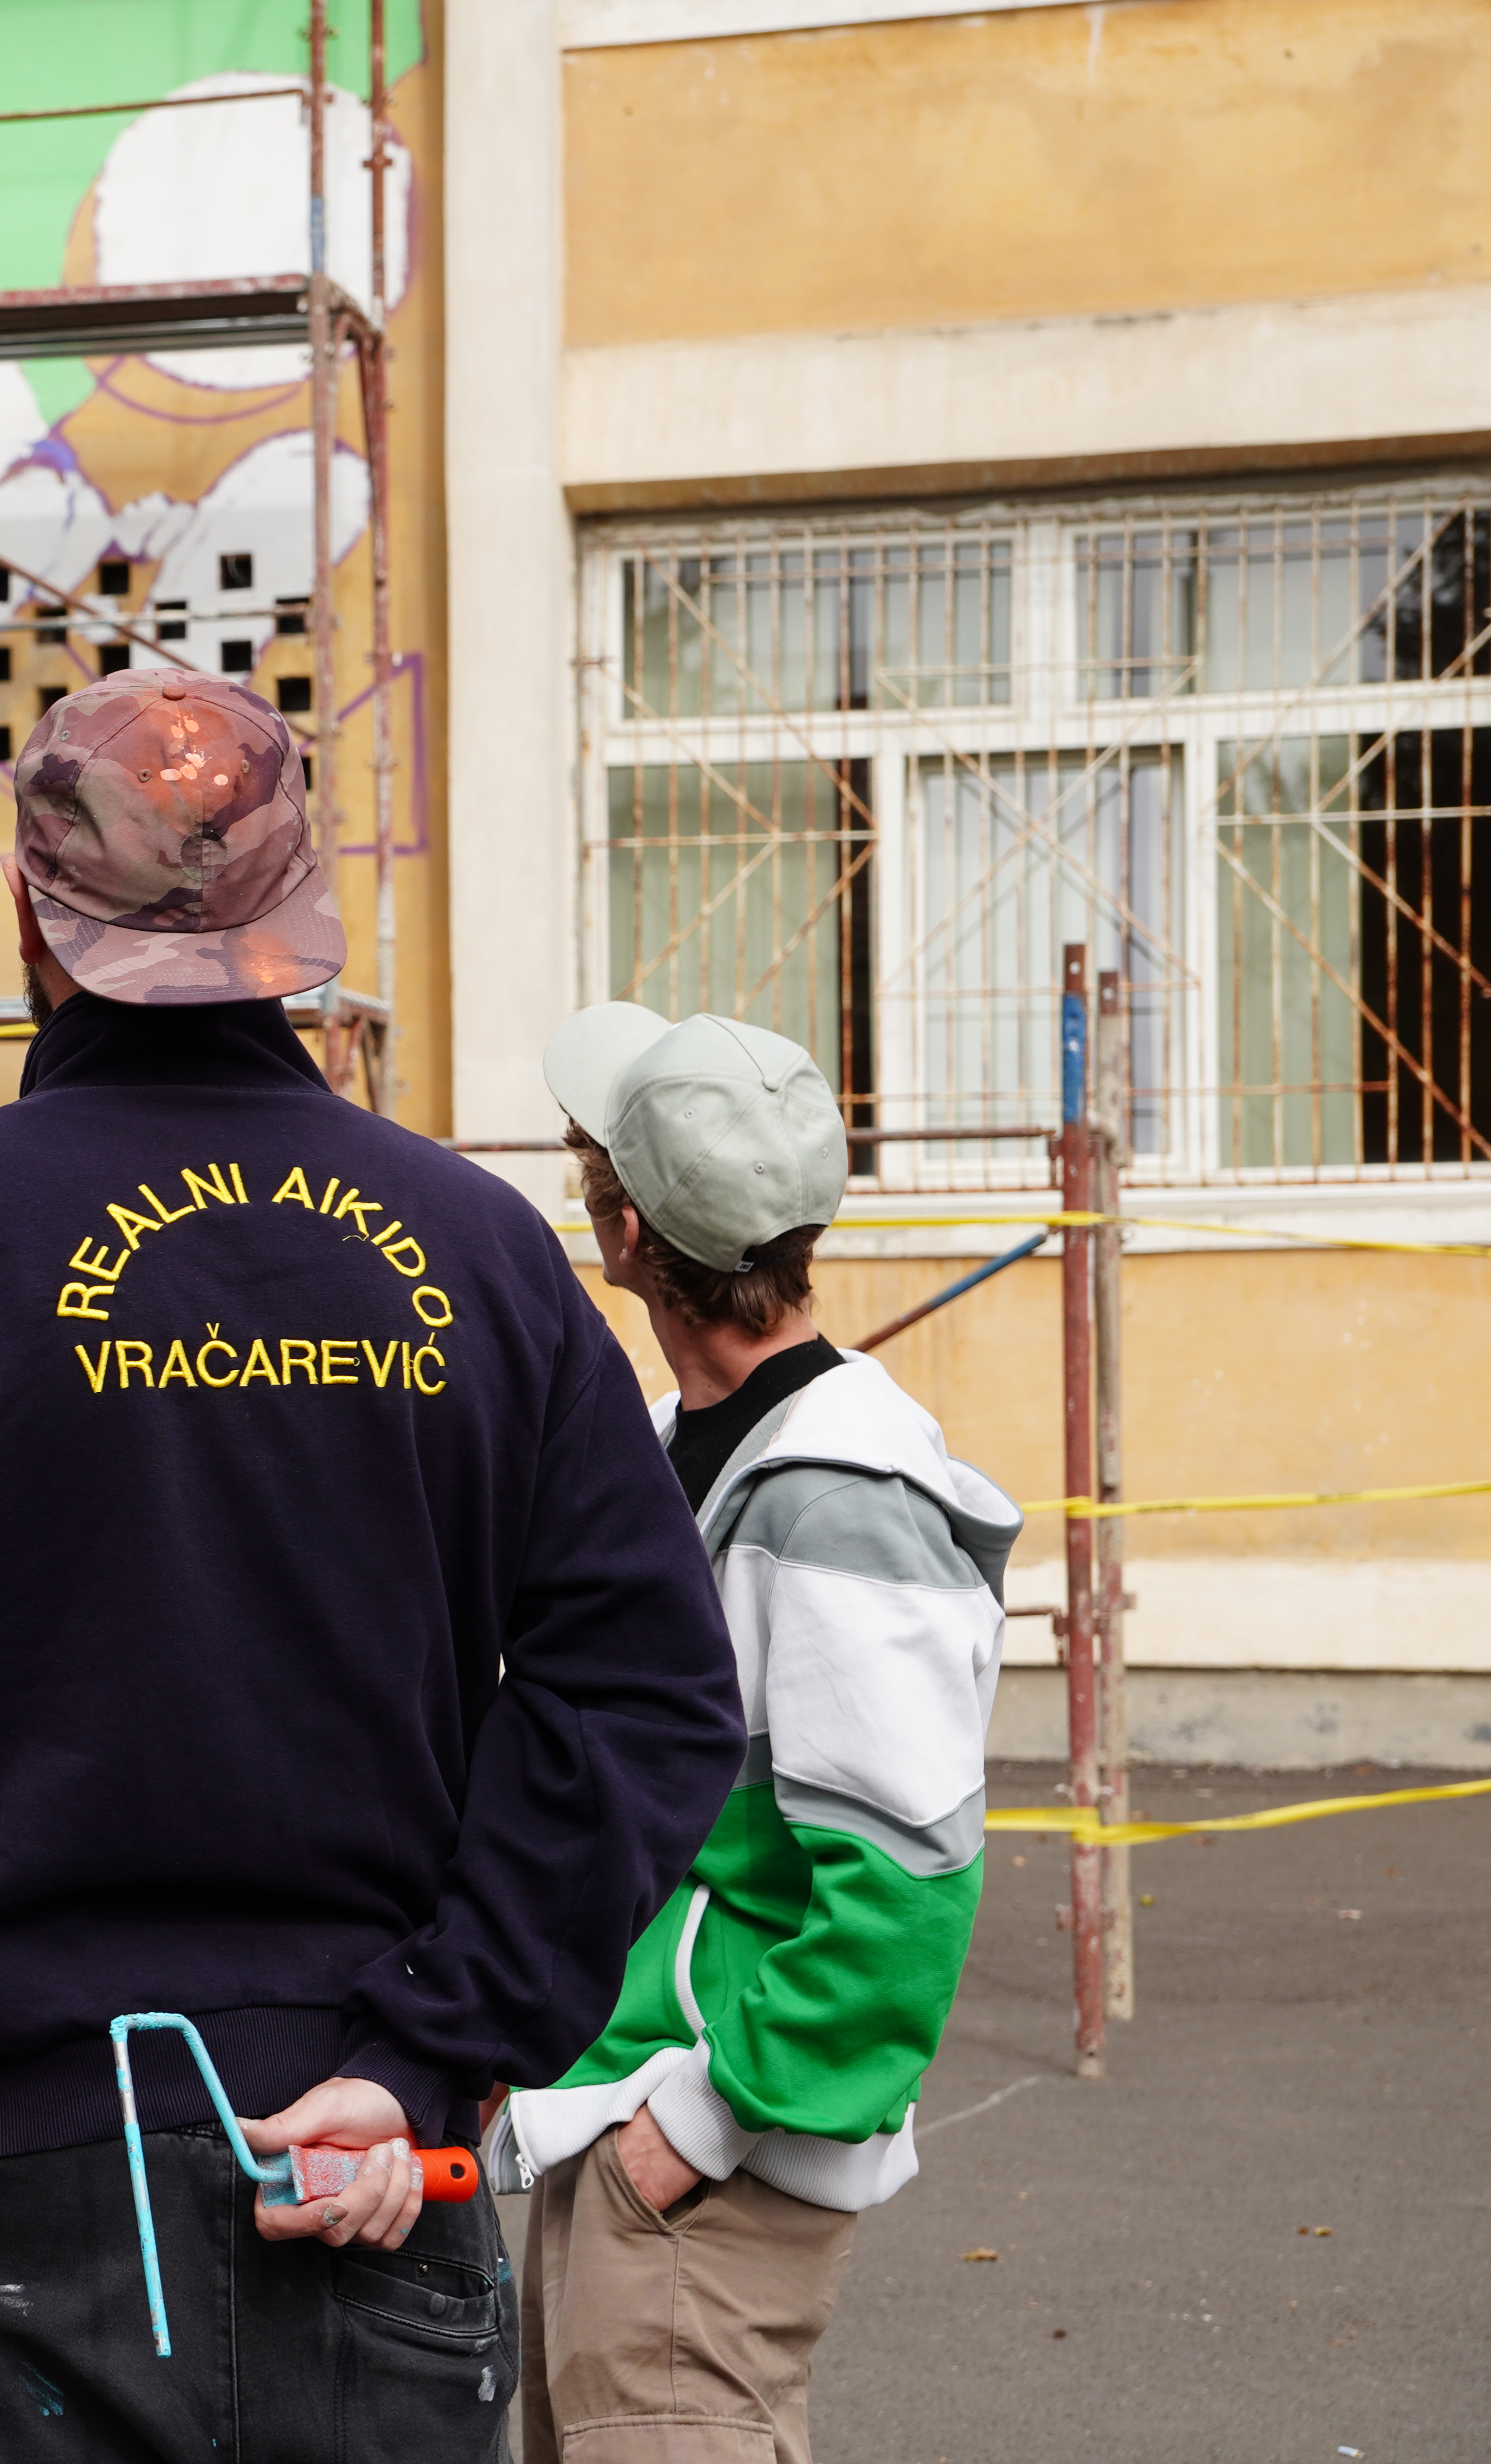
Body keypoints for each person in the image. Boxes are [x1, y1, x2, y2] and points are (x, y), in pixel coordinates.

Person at [0, 668, 745, 2464]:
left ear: (26, 908)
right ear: (298, 925)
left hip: (17, 2163)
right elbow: (652, 1696)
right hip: (371, 2148)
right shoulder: (475, 1254)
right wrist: (419, 2044)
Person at [496, 1003, 1018, 2464]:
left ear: (623, 1229)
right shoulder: (693, 1444)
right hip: (630, 2110)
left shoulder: (838, 1498)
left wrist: (710, 2119)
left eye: (594, 1172)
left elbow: (907, 1878)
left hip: (700, 2143)